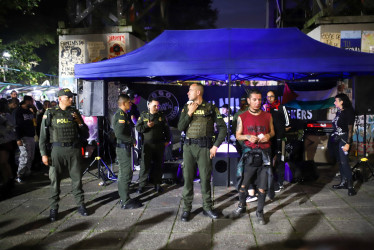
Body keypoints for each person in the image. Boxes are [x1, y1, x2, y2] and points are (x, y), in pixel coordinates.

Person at [177, 83, 227, 222]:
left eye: (190, 90)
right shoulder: (186, 107)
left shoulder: (210, 108)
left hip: (205, 148)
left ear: (198, 92)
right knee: (187, 179)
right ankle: (186, 209)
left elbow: (223, 129)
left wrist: (216, 146)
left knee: (205, 179)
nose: (188, 93)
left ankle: (207, 208)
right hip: (188, 147)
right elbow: (180, 127)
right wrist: (189, 113)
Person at [39, 88, 89, 222]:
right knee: (55, 181)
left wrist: (79, 121)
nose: (72, 99)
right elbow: (43, 136)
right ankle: (54, 208)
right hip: (57, 151)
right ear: (60, 98)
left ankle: (80, 205)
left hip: (74, 150)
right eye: (69, 97)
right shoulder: (50, 113)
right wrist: (44, 154)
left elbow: (86, 134)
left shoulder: (75, 112)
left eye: (72, 97)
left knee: (77, 180)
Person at [231, 89, 275, 225]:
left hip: (265, 155)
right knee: (243, 185)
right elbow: (238, 135)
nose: (257, 102)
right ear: (249, 101)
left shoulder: (268, 116)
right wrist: (248, 136)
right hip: (249, 155)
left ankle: (260, 212)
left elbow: (272, 131)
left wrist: (268, 135)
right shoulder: (242, 117)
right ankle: (241, 206)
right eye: (254, 100)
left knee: (262, 187)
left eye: (260, 100)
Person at [112, 94, 142, 209]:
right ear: (124, 103)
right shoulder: (120, 115)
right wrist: (131, 140)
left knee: (125, 173)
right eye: (129, 102)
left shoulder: (125, 114)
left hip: (125, 147)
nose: (131, 104)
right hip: (123, 148)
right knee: (125, 174)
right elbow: (119, 134)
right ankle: (125, 201)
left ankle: (124, 198)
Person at [135, 98, 171, 193]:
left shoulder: (161, 116)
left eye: (158, 106)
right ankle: (142, 185)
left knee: (158, 165)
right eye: (155, 105)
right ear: (149, 105)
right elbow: (138, 128)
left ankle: (157, 185)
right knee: (144, 166)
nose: (157, 107)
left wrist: (168, 140)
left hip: (159, 144)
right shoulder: (144, 115)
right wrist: (147, 126)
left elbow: (167, 129)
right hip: (147, 145)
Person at [262, 90, 290, 193]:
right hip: (269, 139)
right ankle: (270, 182)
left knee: (280, 160)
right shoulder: (265, 108)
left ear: (275, 97)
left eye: (271, 96)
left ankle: (280, 183)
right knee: (268, 160)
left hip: (279, 138)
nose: (269, 99)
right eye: (268, 97)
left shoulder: (281, 107)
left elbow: (288, 124)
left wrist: (280, 132)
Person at [330, 93, 356, 196]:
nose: (334, 102)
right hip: (337, 139)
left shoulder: (349, 112)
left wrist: (348, 143)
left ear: (341, 102)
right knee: (340, 162)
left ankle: (351, 187)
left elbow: (350, 129)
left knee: (344, 162)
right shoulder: (339, 112)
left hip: (344, 139)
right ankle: (343, 182)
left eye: (336, 101)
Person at [14, 95, 36, 183]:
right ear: (27, 101)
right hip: (23, 136)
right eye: (31, 101)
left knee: (31, 155)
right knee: (24, 155)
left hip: (30, 135)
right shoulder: (18, 111)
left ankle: (27, 172)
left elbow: (34, 122)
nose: (32, 103)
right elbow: (16, 125)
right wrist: (18, 138)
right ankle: (19, 174)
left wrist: (34, 112)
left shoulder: (30, 111)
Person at [0, 98, 16, 199]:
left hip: (5, 141)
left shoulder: (6, 115)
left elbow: (11, 126)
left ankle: (8, 181)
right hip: (5, 141)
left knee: (3, 162)